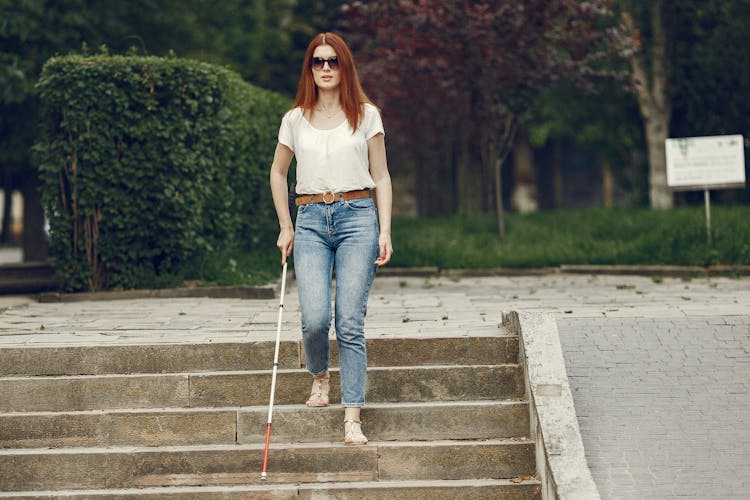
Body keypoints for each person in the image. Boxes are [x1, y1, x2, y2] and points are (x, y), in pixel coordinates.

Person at [269, 32, 393, 445]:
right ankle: (319, 376)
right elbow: (278, 171)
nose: (325, 68)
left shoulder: (366, 115)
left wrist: (385, 229)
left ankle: (352, 416)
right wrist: (286, 224)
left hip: (357, 216)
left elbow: (381, 176)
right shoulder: (295, 119)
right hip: (308, 220)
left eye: (332, 61)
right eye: (317, 62)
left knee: (350, 322)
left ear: (344, 67)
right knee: (316, 318)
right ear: (309, 68)